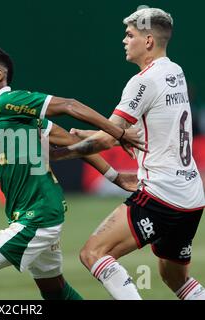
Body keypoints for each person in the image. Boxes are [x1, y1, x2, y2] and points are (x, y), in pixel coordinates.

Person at [0, 45, 143, 300]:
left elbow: (69, 105)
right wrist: (114, 176)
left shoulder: (9, 101)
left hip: (36, 218)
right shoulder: (14, 116)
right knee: (55, 292)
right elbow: (71, 143)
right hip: (41, 213)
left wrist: (117, 132)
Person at [53, 8, 205, 300]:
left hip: (162, 194)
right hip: (192, 196)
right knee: (173, 277)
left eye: (130, 35)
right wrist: (85, 135)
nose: (124, 40)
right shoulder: (175, 72)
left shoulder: (142, 81)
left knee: (93, 253)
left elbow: (109, 138)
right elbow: (128, 134)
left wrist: (59, 155)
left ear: (148, 41)